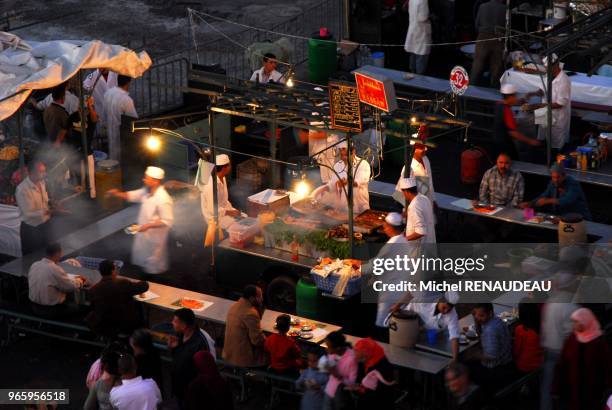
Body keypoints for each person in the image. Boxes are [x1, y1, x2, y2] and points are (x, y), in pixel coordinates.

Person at [107, 166, 174, 274]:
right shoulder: (146, 191)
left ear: (155, 181)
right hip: (143, 233)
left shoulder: (163, 199)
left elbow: (167, 220)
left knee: (153, 265)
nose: (144, 180)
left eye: (147, 178)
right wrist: (116, 194)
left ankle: (157, 282)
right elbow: (132, 195)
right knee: (142, 261)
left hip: (155, 238)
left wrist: (147, 226)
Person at [552, 308, 612, 410]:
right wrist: (557, 388)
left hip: (593, 390)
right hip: (575, 390)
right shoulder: (572, 340)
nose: (574, 325)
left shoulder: (598, 343)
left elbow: (608, 366)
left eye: (577, 322)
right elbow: (562, 365)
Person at [361, 212, 409, 337]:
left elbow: (375, 265)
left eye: (385, 226)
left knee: (383, 323)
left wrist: (358, 269)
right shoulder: (404, 240)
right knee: (397, 323)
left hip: (391, 291)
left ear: (390, 227)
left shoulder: (392, 244)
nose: (384, 229)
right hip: (402, 288)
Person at [540, 271, 579, 410]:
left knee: (548, 384)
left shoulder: (551, 303)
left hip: (548, 348)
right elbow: (571, 334)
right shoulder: (572, 307)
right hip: (562, 351)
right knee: (567, 383)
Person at [85, 260, 148, 337]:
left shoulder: (93, 290)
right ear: (113, 271)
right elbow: (144, 286)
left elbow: (94, 307)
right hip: (124, 324)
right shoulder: (122, 283)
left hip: (103, 324)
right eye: (115, 269)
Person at [524, 53, 572, 155]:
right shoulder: (548, 75)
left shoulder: (564, 81)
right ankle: (542, 155)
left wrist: (537, 106)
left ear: (556, 65)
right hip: (544, 112)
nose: (546, 70)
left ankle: (554, 159)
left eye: (548, 67)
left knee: (555, 143)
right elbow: (543, 90)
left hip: (557, 115)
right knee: (543, 136)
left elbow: (560, 103)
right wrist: (532, 93)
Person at [167, 308, 213, 404]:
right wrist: (173, 348)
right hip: (179, 386)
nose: (172, 323)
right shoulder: (179, 334)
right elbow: (179, 358)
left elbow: (206, 369)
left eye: (175, 321)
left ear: (184, 326)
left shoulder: (201, 342)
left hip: (193, 392)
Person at [27, 243, 86, 318]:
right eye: (61, 253)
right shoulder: (54, 269)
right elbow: (70, 287)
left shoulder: (34, 265)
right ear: (58, 253)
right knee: (77, 308)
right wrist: (80, 280)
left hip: (33, 306)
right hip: (49, 310)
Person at [312, 140, 371, 215]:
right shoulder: (338, 166)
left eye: (346, 155)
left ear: (353, 152)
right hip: (343, 209)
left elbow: (359, 182)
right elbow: (332, 185)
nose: (344, 158)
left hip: (360, 209)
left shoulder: (363, 164)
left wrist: (345, 182)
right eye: (342, 155)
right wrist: (322, 189)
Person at [401, 292, 461, 360]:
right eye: (444, 307)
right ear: (440, 300)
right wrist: (397, 306)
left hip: (430, 340)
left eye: (449, 309)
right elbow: (411, 290)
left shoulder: (452, 314)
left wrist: (455, 359)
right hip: (408, 329)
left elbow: (454, 336)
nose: (446, 311)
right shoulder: (425, 300)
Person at [468, 303, 513, 391]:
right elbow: (481, 337)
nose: (478, 318)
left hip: (497, 370)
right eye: (476, 315)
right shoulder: (497, 320)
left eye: (481, 315)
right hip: (507, 363)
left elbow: (492, 356)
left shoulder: (490, 330)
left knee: (467, 369)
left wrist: (474, 355)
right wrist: (477, 322)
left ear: (490, 313)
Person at [520, 164, 591, 220]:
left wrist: (548, 201)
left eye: (558, 177)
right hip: (561, 217)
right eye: (553, 177)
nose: (555, 180)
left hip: (579, 219)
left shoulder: (573, 184)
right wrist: (530, 203)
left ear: (564, 176)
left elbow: (568, 200)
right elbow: (544, 196)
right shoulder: (552, 183)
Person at [222, 285, 267, 367]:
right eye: (260, 297)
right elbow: (257, 341)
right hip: (241, 358)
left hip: (228, 352)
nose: (262, 299)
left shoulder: (234, 306)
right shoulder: (251, 313)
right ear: (252, 298)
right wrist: (267, 338)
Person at [494, 84, 541, 159]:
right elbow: (513, 133)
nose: (516, 98)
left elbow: (517, 102)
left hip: (497, 140)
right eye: (515, 96)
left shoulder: (499, 104)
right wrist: (531, 141)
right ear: (511, 97)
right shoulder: (507, 111)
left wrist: (531, 94)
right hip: (505, 143)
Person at [16, 160, 52, 255]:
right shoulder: (22, 189)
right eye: (41, 171)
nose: (44, 174)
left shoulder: (42, 183)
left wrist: (52, 204)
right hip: (31, 230)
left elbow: (45, 201)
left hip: (45, 225)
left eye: (44, 171)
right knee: (32, 259)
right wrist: (48, 211)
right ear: (30, 172)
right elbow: (28, 214)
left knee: (46, 255)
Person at [199, 154, 241, 230]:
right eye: (229, 165)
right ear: (224, 168)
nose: (230, 167)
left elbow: (224, 201)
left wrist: (232, 210)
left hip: (223, 211)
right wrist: (229, 213)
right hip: (213, 218)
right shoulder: (211, 185)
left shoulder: (223, 178)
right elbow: (212, 209)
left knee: (244, 217)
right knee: (237, 227)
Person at [470, 0, 506, 87]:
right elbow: (507, 28)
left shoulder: (482, 6)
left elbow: (476, 25)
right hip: (498, 39)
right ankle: (494, 93)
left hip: (483, 37)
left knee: (477, 66)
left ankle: (470, 89)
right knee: (496, 68)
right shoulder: (505, 9)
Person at [352, 338, 395, 410]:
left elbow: (381, 393)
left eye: (361, 358)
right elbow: (359, 376)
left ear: (367, 353)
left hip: (377, 402)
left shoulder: (382, 367)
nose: (359, 360)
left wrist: (361, 389)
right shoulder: (364, 359)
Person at [103, 74, 138, 161]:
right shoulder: (126, 100)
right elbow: (134, 121)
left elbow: (103, 113)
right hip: (122, 136)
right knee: (121, 160)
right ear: (128, 83)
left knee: (113, 157)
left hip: (110, 131)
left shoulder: (108, 93)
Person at [322, 331, 357, 410]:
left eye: (329, 347)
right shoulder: (332, 353)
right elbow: (327, 369)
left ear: (338, 348)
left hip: (341, 398)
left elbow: (352, 383)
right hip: (328, 391)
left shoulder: (352, 359)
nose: (327, 349)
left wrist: (337, 375)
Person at [399, 177, 436, 243]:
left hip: (417, 247)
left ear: (406, 191)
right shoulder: (424, 198)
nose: (403, 195)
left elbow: (421, 232)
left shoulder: (414, 206)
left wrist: (403, 240)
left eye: (403, 192)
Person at [512, 300, 543, 374]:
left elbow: (517, 350)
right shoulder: (542, 325)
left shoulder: (520, 330)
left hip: (525, 366)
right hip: (540, 362)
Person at [403, 0, 431, 74]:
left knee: (413, 52)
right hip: (421, 30)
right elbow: (423, 17)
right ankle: (420, 77)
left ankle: (412, 72)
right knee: (421, 54)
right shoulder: (423, 1)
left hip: (413, 28)